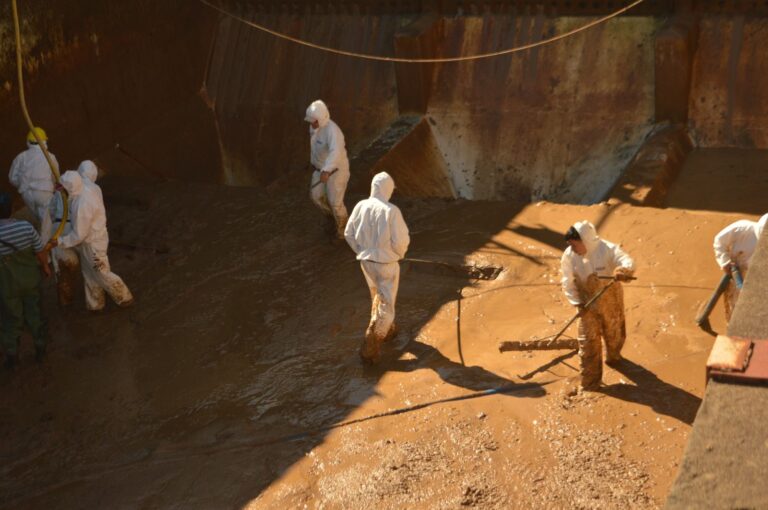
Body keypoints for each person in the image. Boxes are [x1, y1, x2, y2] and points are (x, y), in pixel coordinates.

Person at [561, 221, 635, 390]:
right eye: (569, 245)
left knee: (614, 336)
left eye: (574, 244)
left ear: (585, 241)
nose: (571, 248)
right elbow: (567, 281)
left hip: (611, 302)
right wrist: (577, 302)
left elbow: (625, 260)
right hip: (586, 305)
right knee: (587, 344)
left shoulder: (607, 249)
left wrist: (623, 270)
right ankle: (590, 383)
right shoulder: (569, 256)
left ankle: (614, 357)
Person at [345, 172, 409, 364]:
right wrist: (398, 255)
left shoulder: (360, 206)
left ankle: (389, 330)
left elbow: (349, 233)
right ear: (388, 189)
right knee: (387, 305)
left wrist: (362, 250)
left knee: (376, 296)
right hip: (386, 264)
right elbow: (401, 240)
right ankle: (371, 342)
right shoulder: (391, 211)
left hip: (366, 263)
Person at [57, 171, 134, 311]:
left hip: (93, 244)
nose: (61, 193)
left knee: (100, 271)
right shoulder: (83, 191)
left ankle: (123, 296)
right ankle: (95, 303)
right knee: (88, 271)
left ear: (69, 189)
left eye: (63, 189)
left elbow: (79, 235)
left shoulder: (82, 205)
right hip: (90, 242)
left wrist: (60, 241)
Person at [0, 192, 52, 368]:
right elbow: (40, 251)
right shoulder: (25, 227)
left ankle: (12, 357)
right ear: (12, 209)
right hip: (30, 280)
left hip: (6, 286)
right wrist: (45, 267)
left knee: (10, 319)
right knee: (34, 314)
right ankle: (40, 350)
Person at [305, 100, 350, 239]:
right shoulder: (314, 127)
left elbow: (335, 153)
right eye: (311, 121)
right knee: (316, 196)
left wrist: (327, 170)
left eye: (314, 121)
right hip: (320, 170)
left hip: (336, 172)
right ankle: (332, 218)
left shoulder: (333, 132)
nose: (311, 124)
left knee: (336, 203)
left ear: (322, 119)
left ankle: (343, 231)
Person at [713, 213, 768, 321]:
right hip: (736, 272)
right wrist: (725, 262)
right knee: (734, 303)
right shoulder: (742, 228)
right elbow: (719, 241)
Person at [8, 127, 58, 242]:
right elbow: (56, 177)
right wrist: (53, 187)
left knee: (40, 218)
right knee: (47, 222)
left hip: (27, 194)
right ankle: (45, 250)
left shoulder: (21, 157)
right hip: (44, 193)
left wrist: (23, 185)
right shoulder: (50, 157)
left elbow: (12, 178)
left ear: (28, 142)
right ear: (44, 141)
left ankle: (40, 241)